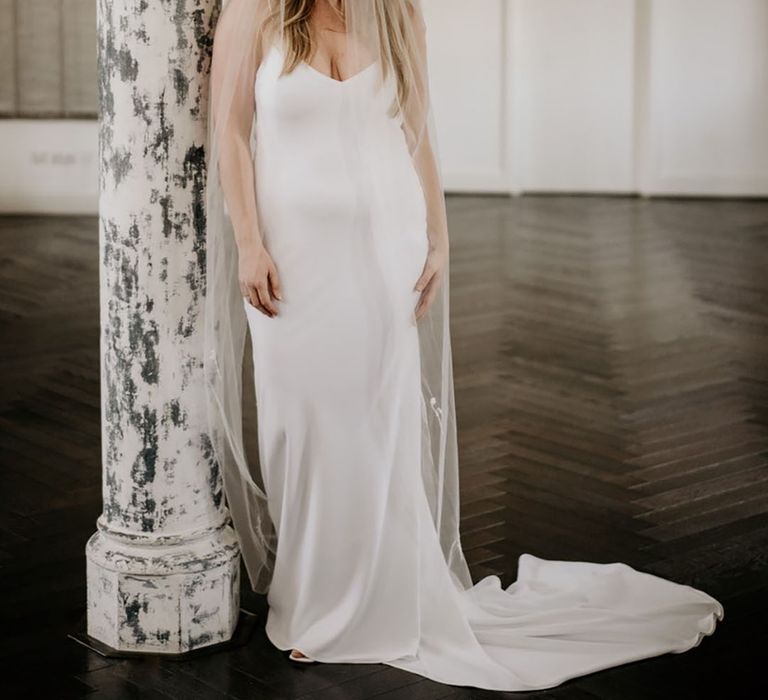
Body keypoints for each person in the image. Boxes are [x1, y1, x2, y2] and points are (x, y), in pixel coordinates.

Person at [203, 0, 724, 691]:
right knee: (300, 425)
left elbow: (415, 133)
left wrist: (439, 238)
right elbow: (230, 130)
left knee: (375, 425)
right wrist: (248, 241)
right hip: (291, 261)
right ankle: (315, 603)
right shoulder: (255, 10)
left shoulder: (397, 14)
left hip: (383, 250)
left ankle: (376, 605)